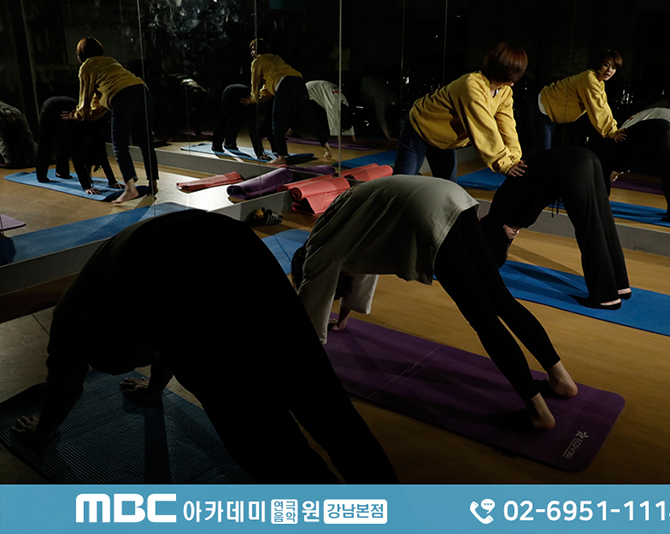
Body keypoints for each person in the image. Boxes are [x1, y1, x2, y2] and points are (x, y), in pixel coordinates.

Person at [11, 209, 398, 484]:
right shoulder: (121, 306)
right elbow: (165, 347)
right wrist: (153, 389)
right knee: (320, 396)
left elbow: (64, 389)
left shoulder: (71, 324)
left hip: (174, 262)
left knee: (261, 434)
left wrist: (41, 430)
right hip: (227, 237)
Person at [292, 175, 578, 430]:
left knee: (482, 317)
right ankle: (561, 380)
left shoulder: (318, 250)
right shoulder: (333, 224)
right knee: (501, 299)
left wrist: (304, 355)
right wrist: (343, 320)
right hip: (453, 197)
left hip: (428, 214)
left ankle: (538, 413)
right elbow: (358, 271)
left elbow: (313, 295)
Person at [480, 147, 630, 309]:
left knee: (589, 228)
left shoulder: (501, 213)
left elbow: (495, 250)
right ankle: (620, 285)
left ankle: (605, 297)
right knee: (604, 221)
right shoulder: (509, 209)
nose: (514, 235)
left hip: (571, 165)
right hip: (587, 157)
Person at [393, 42, 528, 182]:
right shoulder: (472, 86)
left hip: (445, 140)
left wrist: (515, 159)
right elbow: (484, 129)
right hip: (420, 128)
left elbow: (508, 126)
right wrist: (504, 164)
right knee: (402, 182)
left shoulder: (505, 93)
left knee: (448, 185)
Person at [63, 37, 159, 203]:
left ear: (80, 54)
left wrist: (77, 115)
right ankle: (153, 184)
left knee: (120, 145)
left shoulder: (87, 66)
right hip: (142, 91)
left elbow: (85, 99)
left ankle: (130, 189)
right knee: (146, 143)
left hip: (123, 97)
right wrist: (88, 114)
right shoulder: (110, 61)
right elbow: (100, 102)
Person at [597, 107, 670, 222]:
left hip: (660, 130)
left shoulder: (614, 147)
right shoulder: (624, 130)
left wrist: (619, 169)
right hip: (665, 126)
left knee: (669, 171)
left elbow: (631, 151)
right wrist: (620, 169)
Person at [244, 38, 332, 165]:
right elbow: (268, 87)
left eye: (253, 50)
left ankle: (281, 157)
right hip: (299, 81)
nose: (252, 53)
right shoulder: (276, 58)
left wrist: (253, 98)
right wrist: (260, 97)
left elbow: (255, 84)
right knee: (309, 117)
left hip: (285, 85)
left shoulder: (257, 61)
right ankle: (326, 146)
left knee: (277, 122)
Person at [529, 49, 627, 157]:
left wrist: (614, 128)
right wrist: (612, 131)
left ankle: (523, 166)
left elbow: (604, 105)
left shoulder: (599, 82)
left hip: (550, 112)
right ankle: (521, 166)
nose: (609, 70)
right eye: (606, 65)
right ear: (599, 64)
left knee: (540, 151)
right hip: (543, 108)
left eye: (613, 68)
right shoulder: (589, 80)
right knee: (542, 151)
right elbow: (598, 108)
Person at [36, 96, 121, 194]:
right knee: (46, 142)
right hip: (51, 107)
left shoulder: (97, 137)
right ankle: (41, 176)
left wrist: (112, 181)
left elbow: (103, 158)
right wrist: (86, 187)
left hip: (69, 113)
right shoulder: (75, 135)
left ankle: (62, 172)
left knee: (64, 140)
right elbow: (76, 158)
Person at [211, 83, 275, 157]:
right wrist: (260, 154)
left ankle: (229, 143)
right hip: (231, 93)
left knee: (236, 119)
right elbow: (253, 129)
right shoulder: (254, 107)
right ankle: (218, 145)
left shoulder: (262, 107)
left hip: (243, 94)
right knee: (224, 118)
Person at [359, 75, 401, 141]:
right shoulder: (378, 97)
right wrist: (388, 136)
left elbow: (381, 116)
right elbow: (380, 116)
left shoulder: (384, 98)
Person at [0, 99, 37, 168]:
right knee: (26, 139)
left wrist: (9, 114)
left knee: (28, 138)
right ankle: (8, 160)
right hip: (10, 117)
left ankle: (38, 157)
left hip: (14, 116)